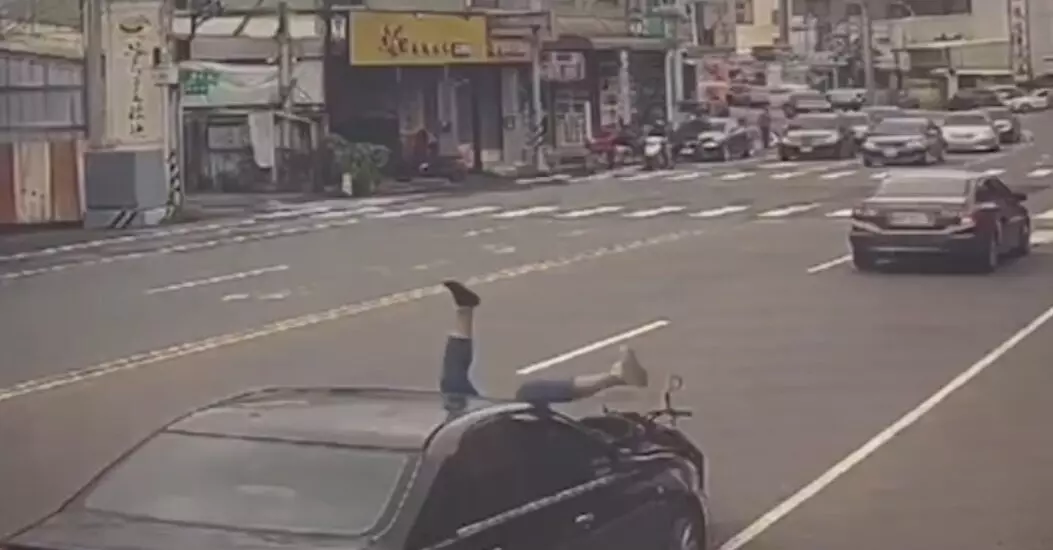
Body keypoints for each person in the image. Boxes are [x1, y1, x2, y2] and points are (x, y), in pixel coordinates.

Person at [439, 280, 648, 405]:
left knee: (452, 385)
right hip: (492, 449)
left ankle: (465, 309)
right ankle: (615, 377)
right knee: (529, 393)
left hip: (459, 431)